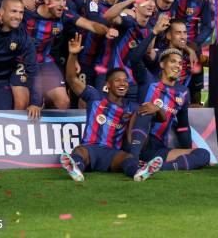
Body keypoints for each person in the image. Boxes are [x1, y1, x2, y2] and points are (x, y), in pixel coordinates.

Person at [60, 33, 164, 182]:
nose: (123, 84)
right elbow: (71, 79)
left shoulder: (131, 106)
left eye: (125, 81)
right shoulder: (95, 97)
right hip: (90, 149)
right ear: (108, 85)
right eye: (117, 81)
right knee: (78, 151)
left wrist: (158, 109)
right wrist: (73, 55)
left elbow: (161, 119)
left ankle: (139, 172)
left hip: (112, 154)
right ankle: (76, 169)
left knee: (127, 158)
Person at [25, 0, 112, 109]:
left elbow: (90, 25)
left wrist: (107, 30)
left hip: (45, 60)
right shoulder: (27, 12)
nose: (62, 4)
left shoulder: (65, 15)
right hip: (22, 60)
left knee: (64, 102)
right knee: (22, 101)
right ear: (46, 0)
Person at [135, 48, 211, 173]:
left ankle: (154, 168)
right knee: (145, 113)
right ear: (162, 64)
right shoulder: (148, 81)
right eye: (173, 61)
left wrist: (189, 152)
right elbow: (134, 58)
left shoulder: (183, 92)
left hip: (158, 149)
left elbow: (183, 127)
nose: (177, 66)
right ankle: (135, 161)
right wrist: (154, 32)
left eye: (180, 63)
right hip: (139, 141)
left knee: (203, 154)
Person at [174, 0, 212, 104]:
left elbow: (208, 26)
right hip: (172, 48)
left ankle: (194, 125)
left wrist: (195, 42)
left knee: (196, 91)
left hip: (194, 50)